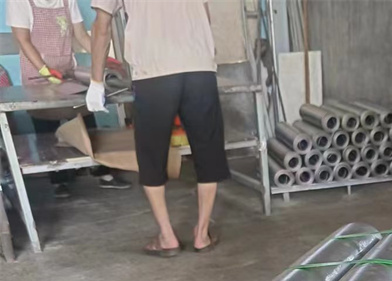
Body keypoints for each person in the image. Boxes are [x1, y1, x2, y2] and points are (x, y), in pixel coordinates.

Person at [86, 1, 230, 257]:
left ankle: (167, 237)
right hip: (199, 68)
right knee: (208, 150)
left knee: (152, 155)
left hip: (153, 71)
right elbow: (204, 14)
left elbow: (101, 26)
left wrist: (96, 81)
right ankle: (202, 235)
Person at [6, 0, 131, 198]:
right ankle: (59, 179)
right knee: (47, 127)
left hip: (67, 71)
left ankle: (101, 171)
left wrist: (101, 57)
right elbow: (23, 40)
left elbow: (80, 35)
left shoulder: (67, 1)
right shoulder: (20, 2)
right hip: (37, 76)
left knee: (84, 116)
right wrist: (45, 70)